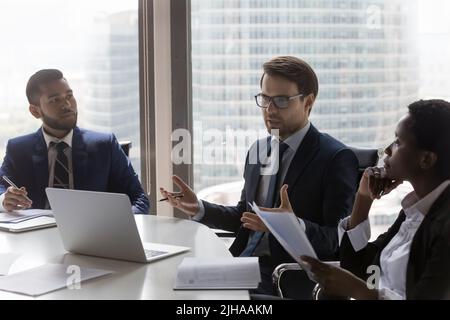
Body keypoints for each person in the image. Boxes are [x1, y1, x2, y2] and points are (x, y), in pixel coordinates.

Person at [160, 56, 358, 295]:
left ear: (308, 102)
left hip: (286, 278)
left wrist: (289, 226)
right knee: (167, 283)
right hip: (241, 266)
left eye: (282, 100)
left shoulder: (335, 158)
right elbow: (245, 217)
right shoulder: (259, 150)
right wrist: (199, 208)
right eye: (265, 99)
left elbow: (337, 240)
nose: (270, 110)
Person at [290, 99, 450, 299]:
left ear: (425, 159)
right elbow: (360, 267)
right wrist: (363, 198)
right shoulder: (414, 211)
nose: (388, 150)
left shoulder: (444, 225)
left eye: (398, 141)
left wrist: (358, 290)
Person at [0, 69, 149, 215]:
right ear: (35, 111)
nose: (67, 105)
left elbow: (139, 198)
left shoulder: (105, 145)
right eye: (55, 100)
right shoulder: (18, 148)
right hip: (34, 235)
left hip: (92, 235)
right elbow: (1, 186)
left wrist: (121, 225)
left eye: (69, 96)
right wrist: (4, 199)